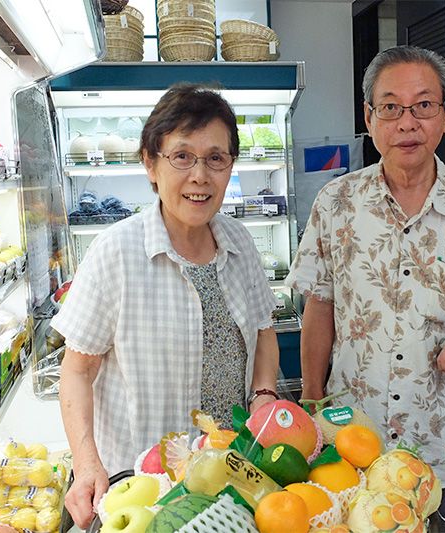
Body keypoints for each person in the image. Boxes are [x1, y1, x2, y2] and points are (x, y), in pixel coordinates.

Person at [285, 46, 445, 532]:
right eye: (390, 107)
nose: (407, 122)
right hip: (353, 444)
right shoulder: (335, 203)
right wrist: (312, 399)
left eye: (423, 105)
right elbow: (319, 306)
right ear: (370, 117)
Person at [52, 84, 280, 528]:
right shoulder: (116, 252)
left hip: (230, 475)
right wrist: (86, 462)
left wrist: (264, 395)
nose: (200, 176)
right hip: (144, 487)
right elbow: (77, 370)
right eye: (182, 156)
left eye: (216, 158)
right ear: (150, 163)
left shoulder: (239, 243)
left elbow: (263, 330)